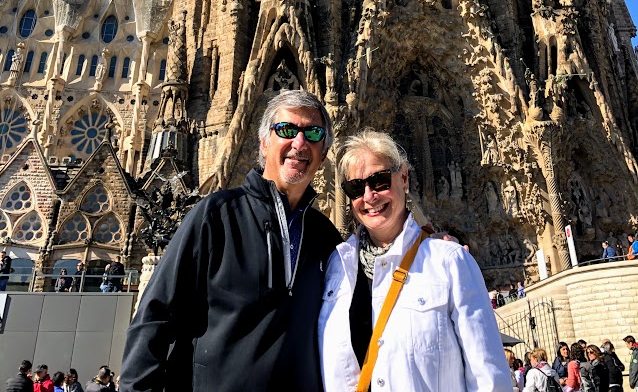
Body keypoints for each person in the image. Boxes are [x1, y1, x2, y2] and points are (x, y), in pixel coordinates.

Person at [120, 90, 341, 392]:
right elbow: (155, 316)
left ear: (324, 151)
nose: (299, 143)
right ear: (264, 143)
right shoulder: (216, 215)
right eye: (287, 130)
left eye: (313, 132)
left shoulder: (326, 236)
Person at [318, 129, 512, 391]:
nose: (369, 196)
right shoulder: (335, 268)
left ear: (404, 177)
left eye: (380, 181)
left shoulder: (448, 262)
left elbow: (488, 378)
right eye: (355, 188)